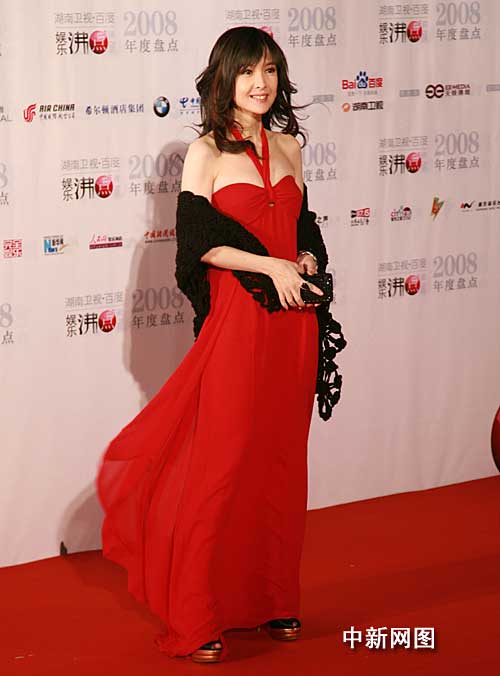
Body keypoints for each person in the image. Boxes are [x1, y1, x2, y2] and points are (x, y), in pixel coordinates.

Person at [96, 25, 339, 665]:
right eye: (248, 71)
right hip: (239, 323)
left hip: (292, 326)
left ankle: (275, 597)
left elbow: (304, 226)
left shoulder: (290, 147)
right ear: (225, 79)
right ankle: (197, 614)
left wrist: (305, 260)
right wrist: (270, 266)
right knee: (221, 466)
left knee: (281, 464)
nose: (261, 83)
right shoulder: (204, 152)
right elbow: (198, 244)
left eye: (270, 70)